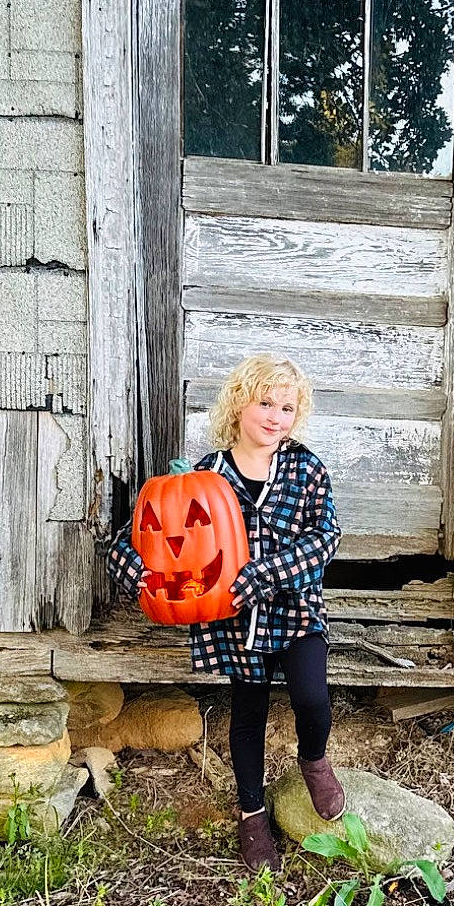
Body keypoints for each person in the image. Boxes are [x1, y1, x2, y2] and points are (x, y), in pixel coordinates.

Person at [108, 352, 344, 866]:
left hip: (294, 607)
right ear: (240, 403)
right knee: (248, 714)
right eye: (264, 402)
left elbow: (326, 539)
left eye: (286, 407)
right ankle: (252, 814)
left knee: (311, 697)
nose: (274, 416)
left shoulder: (306, 469)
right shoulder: (202, 476)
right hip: (231, 620)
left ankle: (314, 760)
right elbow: (131, 540)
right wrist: (138, 575)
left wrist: (264, 576)